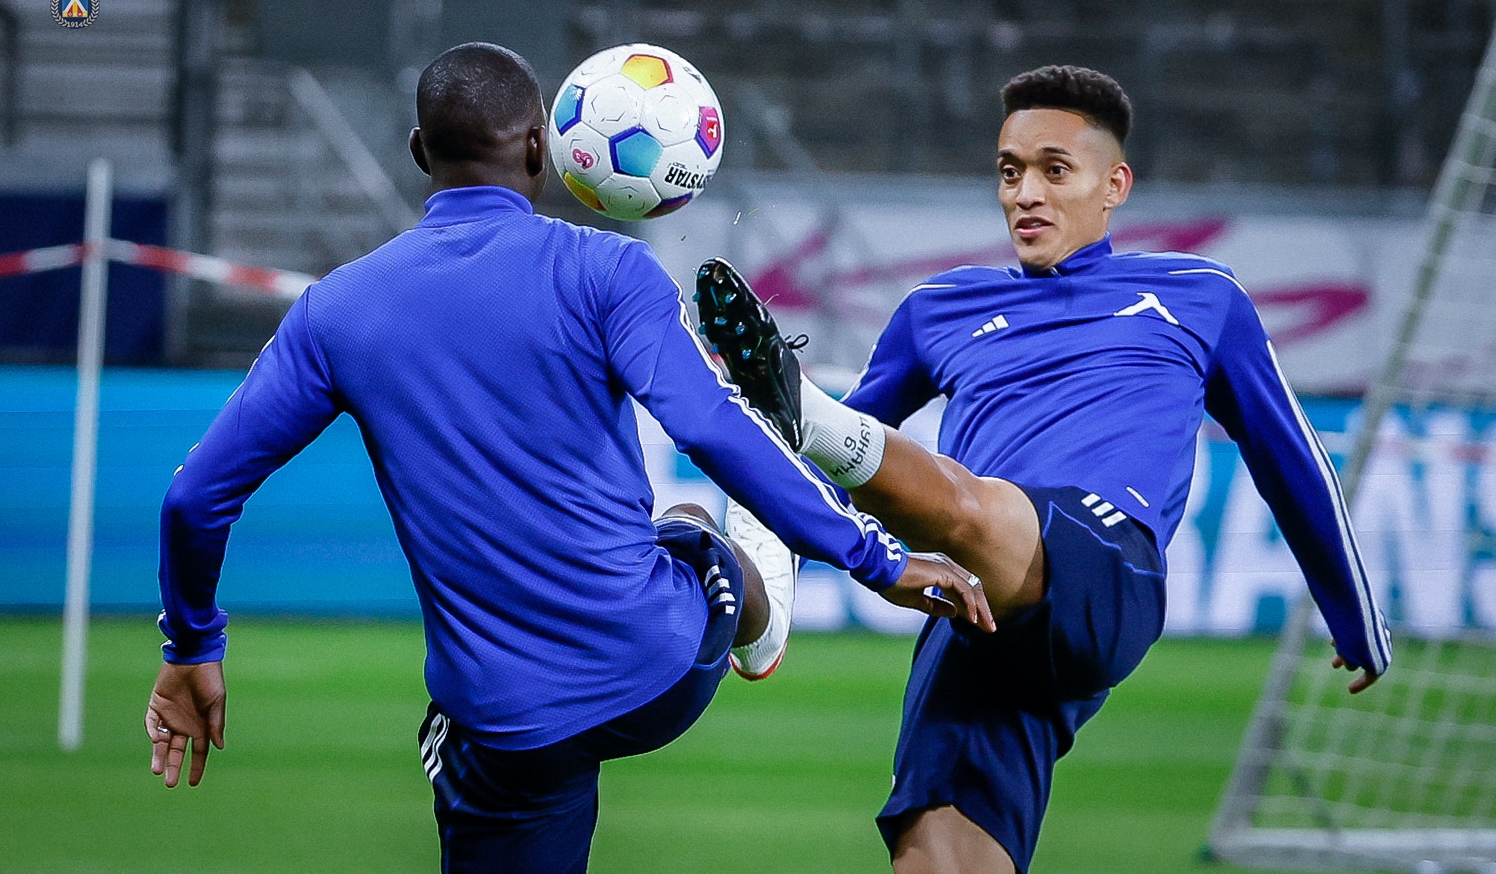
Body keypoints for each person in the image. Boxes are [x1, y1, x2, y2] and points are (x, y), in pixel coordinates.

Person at [143, 42, 994, 874]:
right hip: (656, 668)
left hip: (506, 722)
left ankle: (721, 581)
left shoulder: (335, 310)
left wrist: (191, 647)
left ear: (418, 153)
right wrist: (876, 559)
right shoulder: (609, 269)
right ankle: (753, 600)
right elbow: (713, 426)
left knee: (505, 707)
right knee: (689, 528)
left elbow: (193, 499)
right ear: (539, 149)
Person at [696, 64, 1392, 874]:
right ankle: (783, 463)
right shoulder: (936, 310)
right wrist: (770, 547)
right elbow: (834, 472)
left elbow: (1290, 457)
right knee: (939, 859)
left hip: (1106, 566)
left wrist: (1352, 611)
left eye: (1054, 170)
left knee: (960, 502)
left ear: (1114, 184)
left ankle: (803, 410)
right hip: (973, 609)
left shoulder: (1201, 297)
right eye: (1010, 171)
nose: (1026, 193)